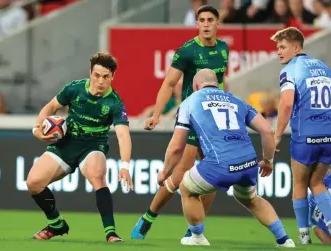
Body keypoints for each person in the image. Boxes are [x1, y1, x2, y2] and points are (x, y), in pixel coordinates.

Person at [157, 69, 295, 247]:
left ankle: (197, 237)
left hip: (219, 163)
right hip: (248, 162)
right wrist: (268, 161)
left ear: (196, 85)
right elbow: (267, 131)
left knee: (187, 188)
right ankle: (284, 239)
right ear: (217, 84)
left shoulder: (190, 102)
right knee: (251, 198)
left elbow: (177, 146)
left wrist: (165, 172)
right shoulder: (237, 100)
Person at [132, 5, 229, 240]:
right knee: (179, 175)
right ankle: (148, 217)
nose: (206, 24)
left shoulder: (224, 49)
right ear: (197, 24)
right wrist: (156, 114)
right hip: (192, 117)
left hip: (213, 121)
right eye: (201, 20)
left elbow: (221, 83)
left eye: (210, 20)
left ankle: (195, 228)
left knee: (214, 177)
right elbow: (168, 83)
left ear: (218, 24)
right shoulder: (187, 51)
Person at [27, 52, 134, 242]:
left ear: (113, 77)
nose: (100, 81)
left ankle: (111, 232)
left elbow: (123, 135)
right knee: (33, 182)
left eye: (106, 77)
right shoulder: (74, 89)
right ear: (90, 73)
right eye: (97, 75)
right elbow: (50, 107)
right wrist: (37, 128)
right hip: (66, 144)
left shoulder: (115, 103)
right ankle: (56, 224)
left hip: (93, 146)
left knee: (97, 175)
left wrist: (125, 165)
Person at [271, 27, 331, 244]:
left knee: (299, 184)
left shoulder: (290, 70)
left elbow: (286, 104)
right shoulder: (323, 67)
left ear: (296, 47)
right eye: (277, 48)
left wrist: (277, 136)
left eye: (283, 47)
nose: (279, 52)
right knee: (317, 182)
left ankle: (304, 237)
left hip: (305, 136)